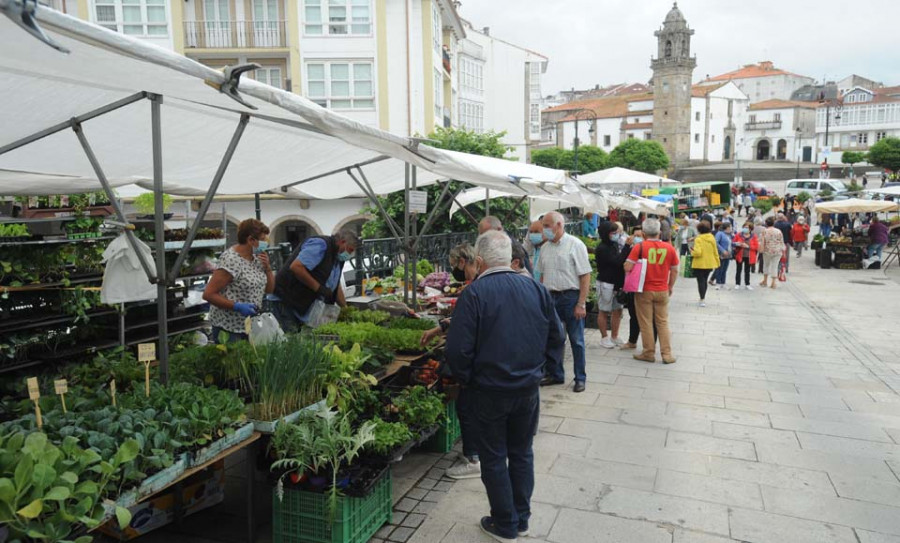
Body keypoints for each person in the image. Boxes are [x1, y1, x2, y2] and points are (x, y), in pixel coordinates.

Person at [445, 231, 564, 543]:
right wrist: (542, 369)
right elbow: (557, 336)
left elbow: (458, 351)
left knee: (495, 457)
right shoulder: (535, 288)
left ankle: (505, 524)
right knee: (522, 453)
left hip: (489, 391)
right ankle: (521, 520)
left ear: (480, 261)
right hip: (527, 389)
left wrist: (467, 380)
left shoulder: (474, 294)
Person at [537, 211, 592, 393]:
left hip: (570, 297)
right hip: (551, 297)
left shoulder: (575, 245)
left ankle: (580, 378)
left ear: (559, 225)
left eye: (547, 225)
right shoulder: (545, 248)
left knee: (576, 340)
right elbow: (542, 276)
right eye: (543, 226)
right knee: (553, 339)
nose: (544, 230)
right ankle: (556, 374)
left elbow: (585, 275)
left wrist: (581, 303)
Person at [203, 219, 275, 343]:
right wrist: (237, 306)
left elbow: (269, 290)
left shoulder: (257, 258)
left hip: (251, 326)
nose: (265, 243)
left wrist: (268, 268)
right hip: (230, 327)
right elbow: (209, 294)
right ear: (251, 240)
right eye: (263, 240)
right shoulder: (231, 260)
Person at [272, 228, 357, 332]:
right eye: (350, 250)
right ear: (342, 242)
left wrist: (345, 309)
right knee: (291, 339)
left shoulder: (337, 257)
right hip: (287, 300)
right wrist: (319, 288)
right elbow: (296, 267)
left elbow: (335, 284)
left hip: (304, 306)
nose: (350, 254)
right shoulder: (320, 244)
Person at [625, 218, 679, 364]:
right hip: (662, 289)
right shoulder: (669, 248)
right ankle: (667, 354)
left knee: (646, 322)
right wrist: (670, 286)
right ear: (659, 232)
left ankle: (648, 353)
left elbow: (628, 267)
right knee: (662, 322)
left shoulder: (639, 247)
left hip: (644, 290)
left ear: (643, 233)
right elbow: (674, 271)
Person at [594, 222, 628, 348]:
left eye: (617, 232)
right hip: (606, 283)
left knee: (617, 310)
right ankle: (604, 337)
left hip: (617, 283)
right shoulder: (602, 248)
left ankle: (614, 336)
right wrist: (627, 248)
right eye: (613, 233)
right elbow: (617, 262)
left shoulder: (614, 245)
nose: (616, 235)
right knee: (604, 310)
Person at [690, 221, 719, 307]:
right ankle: (703, 298)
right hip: (709, 263)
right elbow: (715, 250)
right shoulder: (712, 238)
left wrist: (692, 251)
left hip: (699, 263)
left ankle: (702, 299)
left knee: (700, 281)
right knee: (705, 280)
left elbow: (698, 252)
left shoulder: (698, 239)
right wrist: (717, 261)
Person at [758, 217, 785, 289]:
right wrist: (783, 250)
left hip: (767, 250)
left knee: (766, 265)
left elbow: (761, 240)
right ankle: (773, 282)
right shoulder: (778, 231)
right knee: (775, 266)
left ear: (766, 223)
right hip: (777, 250)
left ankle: (765, 280)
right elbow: (781, 241)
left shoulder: (764, 231)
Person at [733, 222, 758, 290]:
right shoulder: (738, 235)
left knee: (747, 270)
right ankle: (737, 283)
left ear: (750, 229)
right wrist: (737, 244)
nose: (745, 229)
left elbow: (756, 247)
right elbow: (733, 243)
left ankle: (747, 284)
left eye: (747, 227)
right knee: (738, 270)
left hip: (749, 256)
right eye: (744, 227)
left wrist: (748, 246)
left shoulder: (754, 236)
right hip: (740, 255)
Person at [713, 222, 733, 290]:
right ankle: (718, 282)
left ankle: (723, 283)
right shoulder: (720, 233)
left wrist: (737, 244)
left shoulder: (729, 235)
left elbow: (730, 243)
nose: (731, 228)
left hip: (728, 254)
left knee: (725, 269)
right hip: (721, 254)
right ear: (727, 227)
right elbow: (716, 243)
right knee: (719, 269)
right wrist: (722, 250)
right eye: (730, 227)